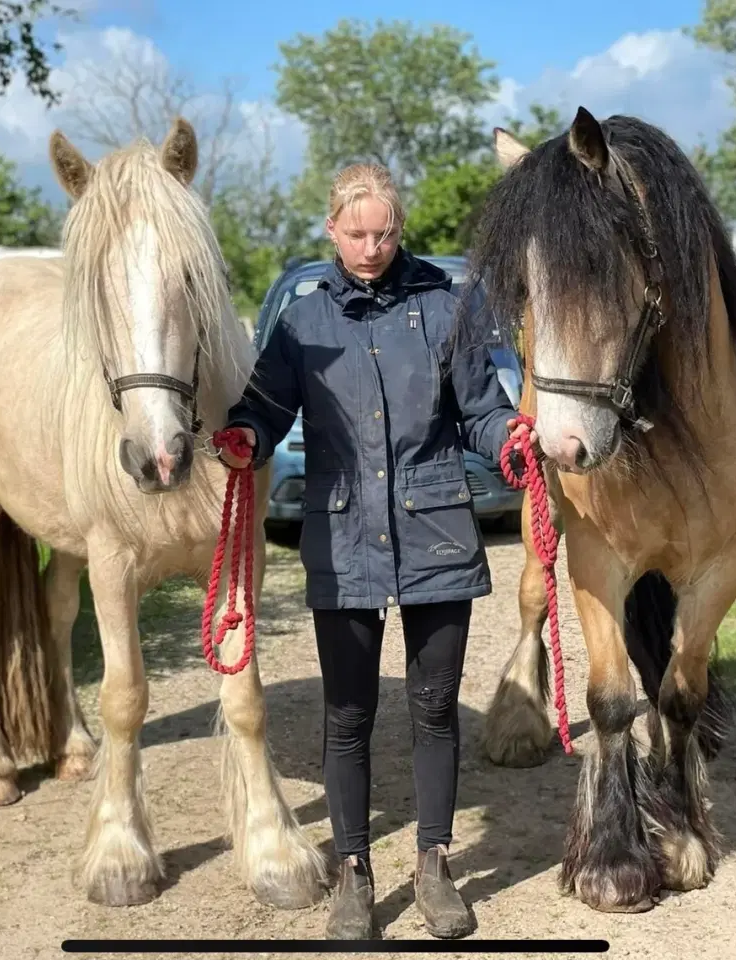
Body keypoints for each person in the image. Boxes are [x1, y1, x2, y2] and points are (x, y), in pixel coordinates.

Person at [221, 162, 531, 941]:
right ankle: (354, 874)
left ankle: (434, 864)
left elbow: (482, 412)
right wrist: (245, 437)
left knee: (433, 709)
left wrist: (511, 444)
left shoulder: (447, 306)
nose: (370, 247)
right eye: (356, 233)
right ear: (331, 230)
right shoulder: (301, 324)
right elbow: (262, 406)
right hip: (343, 534)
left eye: (384, 232)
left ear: (401, 227)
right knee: (349, 713)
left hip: (436, 531)